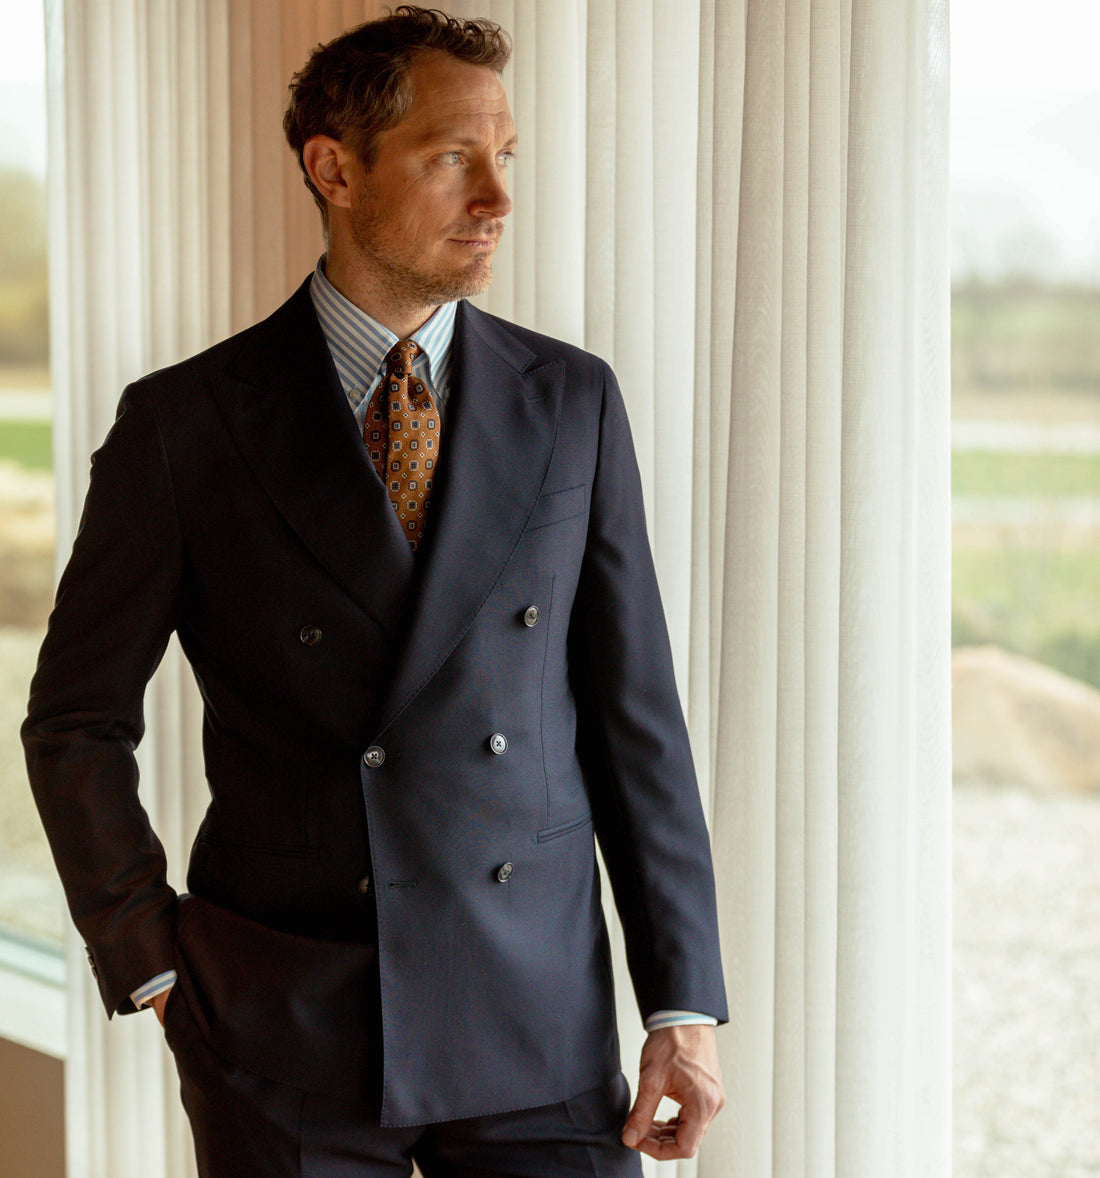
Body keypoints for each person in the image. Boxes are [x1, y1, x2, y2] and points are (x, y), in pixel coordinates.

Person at [23, 8, 727, 1176]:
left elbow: (633, 720)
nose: (496, 196)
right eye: (454, 157)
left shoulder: (572, 401)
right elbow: (76, 719)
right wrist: (148, 954)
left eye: (505, 155)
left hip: (534, 1016)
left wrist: (680, 1002)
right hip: (285, 1023)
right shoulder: (184, 425)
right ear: (334, 167)